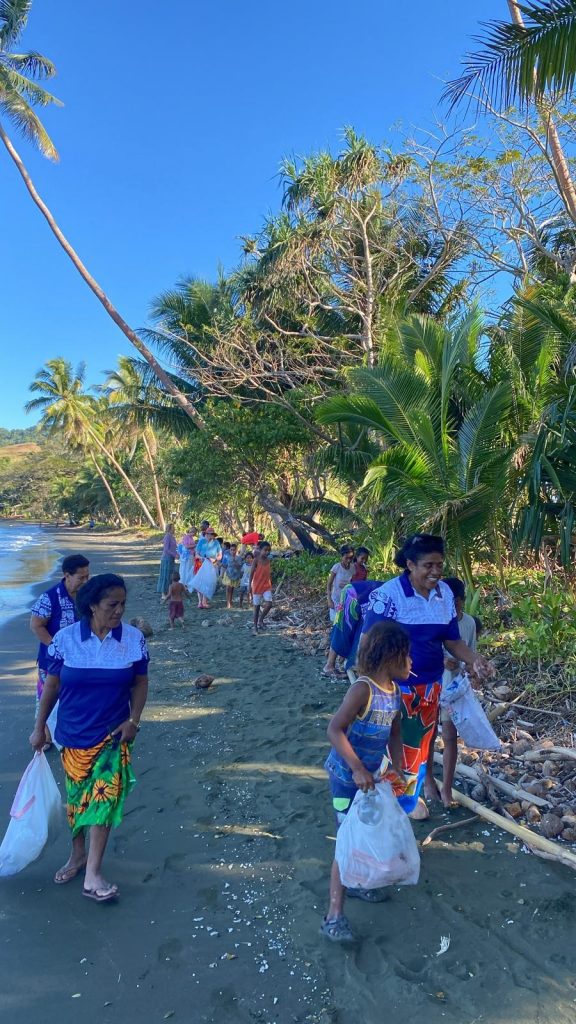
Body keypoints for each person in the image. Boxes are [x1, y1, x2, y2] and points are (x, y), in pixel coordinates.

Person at [29, 574, 149, 902]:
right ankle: (78, 854)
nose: (119, 610)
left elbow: (140, 682)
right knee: (77, 802)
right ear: (93, 606)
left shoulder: (133, 639)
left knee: (103, 801)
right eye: (112, 604)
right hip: (72, 736)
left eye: (123, 604)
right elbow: (52, 685)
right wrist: (39, 727)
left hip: (112, 737)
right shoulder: (65, 639)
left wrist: (133, 721)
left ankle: (93, 873)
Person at [359, 534, 493, 818]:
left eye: (439, 565)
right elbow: (368, 643)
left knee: (421, 745)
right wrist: (368, 687)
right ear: (410, 564)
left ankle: (408, 796)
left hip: (431, 686)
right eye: (428, 565)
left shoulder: (445, 595)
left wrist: (475, 660)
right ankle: (401, 802)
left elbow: (452, 641)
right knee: (399, 746)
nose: (435, 572)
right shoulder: (388, 596)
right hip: (395, 688)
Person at [321, 621, 409, 943]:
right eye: (406, 656)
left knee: (366, 832)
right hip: (346, 778)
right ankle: (334, 915)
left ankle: (358, 884)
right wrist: (357, 768)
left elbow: (395, 731)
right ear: (390, 657)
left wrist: (398, 765)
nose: (411, 662)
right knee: (346, 838)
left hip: (369, 780)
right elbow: (334, 729)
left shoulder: (395, 693)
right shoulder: (363, 690)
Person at [30, 553, 90, 750]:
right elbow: (36, 625)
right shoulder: (49, 597)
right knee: (47, 696)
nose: (85, 581)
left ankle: (70, 731)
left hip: (80, 659)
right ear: (67, 575)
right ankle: (45, 735)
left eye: (87, 576)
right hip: (52, 661)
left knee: (74, 695)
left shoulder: (87, 596)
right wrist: (55, 647)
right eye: (81, 577)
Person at [439, 577, 478, 807]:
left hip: (454, 688)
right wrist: (442, 660)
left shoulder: (469, 623)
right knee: (426, 735)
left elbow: (470, 653)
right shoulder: (436, 620)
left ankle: (446, 788)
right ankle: (427, 781)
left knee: (449, 736)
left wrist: (473, 669)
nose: (453, 607)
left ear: (462, 600)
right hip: (432, 684)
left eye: (456, 603)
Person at [322, 546, 355, 678]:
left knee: (343, 631)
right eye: (347, 557)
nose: (349, 560)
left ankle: (339, 661)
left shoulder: (352, 568)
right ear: (342, 556)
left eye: (351, 558)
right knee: (338, 630)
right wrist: (329, 599)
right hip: (336, 602)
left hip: (347, 602)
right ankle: (330, 665)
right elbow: (329, 584)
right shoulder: (336, 567)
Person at [195, 527, 222, 609]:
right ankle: (200, 601)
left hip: (211, 564)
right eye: (211, 534)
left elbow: (220, 555)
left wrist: (215, 559)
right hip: (201, 564)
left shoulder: (216, 542)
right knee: (199, 582)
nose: (212, 536)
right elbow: (196, 554)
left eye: (213, 534)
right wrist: (201, 558)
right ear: (206, 534)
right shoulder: (201, 542)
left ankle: (204, 601)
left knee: (208, 582)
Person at [250, 541, 273, 634]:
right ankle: (255, 627)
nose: (267, 552)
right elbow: (251, 573)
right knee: (256, 607)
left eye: (269, 550)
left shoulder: (268, 560)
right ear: (260, 550)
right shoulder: (256, 560)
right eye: (265, 550)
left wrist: (270, 583)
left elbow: (268, 573)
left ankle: (260, 620)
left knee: (269, 604)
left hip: (266, 586)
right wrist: (249, 586)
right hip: (257, 586)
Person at [157, 523, 178, 599]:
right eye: (173, 528)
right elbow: (166, 549)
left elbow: (174, 548)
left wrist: (178, 553)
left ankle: (169, 592)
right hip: (166, 558)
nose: (174, 529)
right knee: (165, 575)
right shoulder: (167, 536)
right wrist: (175, 555)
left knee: (170, 576)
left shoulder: (172, 537)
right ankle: (163, 593)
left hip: (171, 559)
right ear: (169, 529)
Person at [222, 543, 243, 609]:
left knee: (232, 589)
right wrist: (221, 565)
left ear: (236, 550)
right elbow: (225, 565)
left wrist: (235, 561)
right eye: (231, 550)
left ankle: (230, 602)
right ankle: (228, 603)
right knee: (228, 588)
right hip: (228, 574)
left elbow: (240, 566)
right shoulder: (227, 557)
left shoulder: (239, 558)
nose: (233, 551)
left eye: (234, 550)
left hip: (235, 575)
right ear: (230, 550)